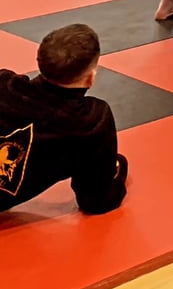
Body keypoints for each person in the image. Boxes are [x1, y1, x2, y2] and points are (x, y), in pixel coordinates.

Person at [0, 24, 128, 214]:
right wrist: (116, 167)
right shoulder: (88, 122)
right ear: (90, 78)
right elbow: (97, 201)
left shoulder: (4, 82)